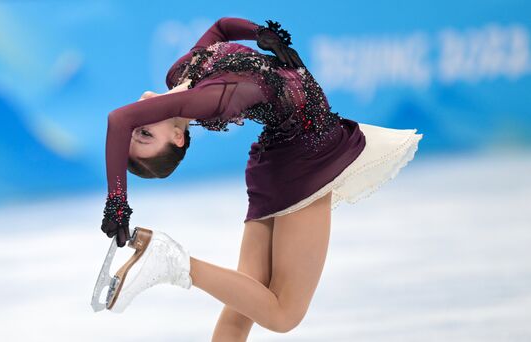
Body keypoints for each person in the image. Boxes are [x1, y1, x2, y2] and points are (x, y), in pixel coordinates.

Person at [99, 17, 423, 340]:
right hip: (307, 161)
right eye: (143, 133)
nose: (137, 120)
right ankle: (173, 263)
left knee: (244, 302)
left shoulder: (181, 73)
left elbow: (222, 27)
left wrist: (263, 35)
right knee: (283, 315)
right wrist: (117, 202)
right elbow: (119, 118)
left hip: (279, 157)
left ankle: (174, 262)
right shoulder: (204, 101)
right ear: (176, 137)